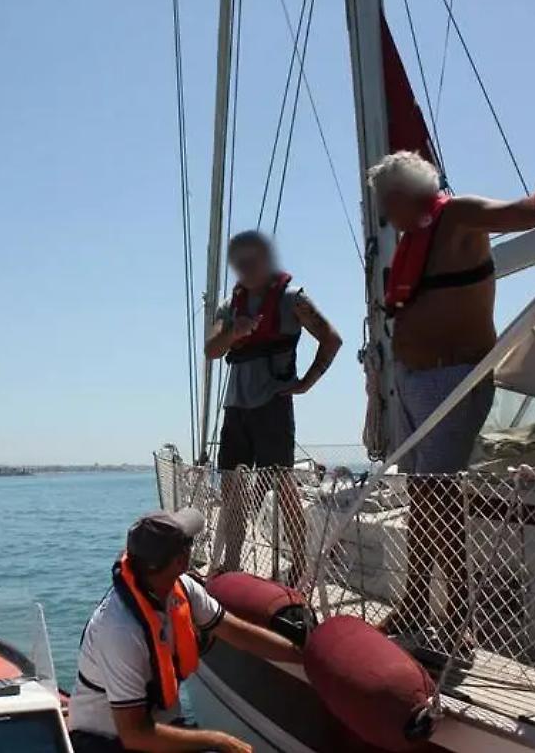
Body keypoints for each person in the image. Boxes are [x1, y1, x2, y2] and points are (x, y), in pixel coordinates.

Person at [365, 151, 535, 646]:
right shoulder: (414, 237)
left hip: (452, 380)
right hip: (411, 382)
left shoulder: (459, 215)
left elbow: (524, 214)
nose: (384, 216)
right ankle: (415, 603)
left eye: (385, 204)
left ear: (403, 196)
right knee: (423, 496)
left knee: (440, 498)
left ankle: (455, 617)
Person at [68, 508, 300, 752]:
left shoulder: (183, 589)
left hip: (157, 726)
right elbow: (135, 735)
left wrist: (300, 655)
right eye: (189, 543)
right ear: (180, 560)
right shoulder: (120, 631)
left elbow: (237, 632)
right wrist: (217, 740)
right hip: (106, 740)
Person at [204, 230, 342, 581]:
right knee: (232, 488)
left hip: (272, 408)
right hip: (236, 409)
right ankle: (232, 563)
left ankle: (301, 563)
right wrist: (234, 333)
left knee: (283, 488)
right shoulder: (229, 307)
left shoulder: (292, 299)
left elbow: (331, 339)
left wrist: (307, 382)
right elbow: (211, 349)